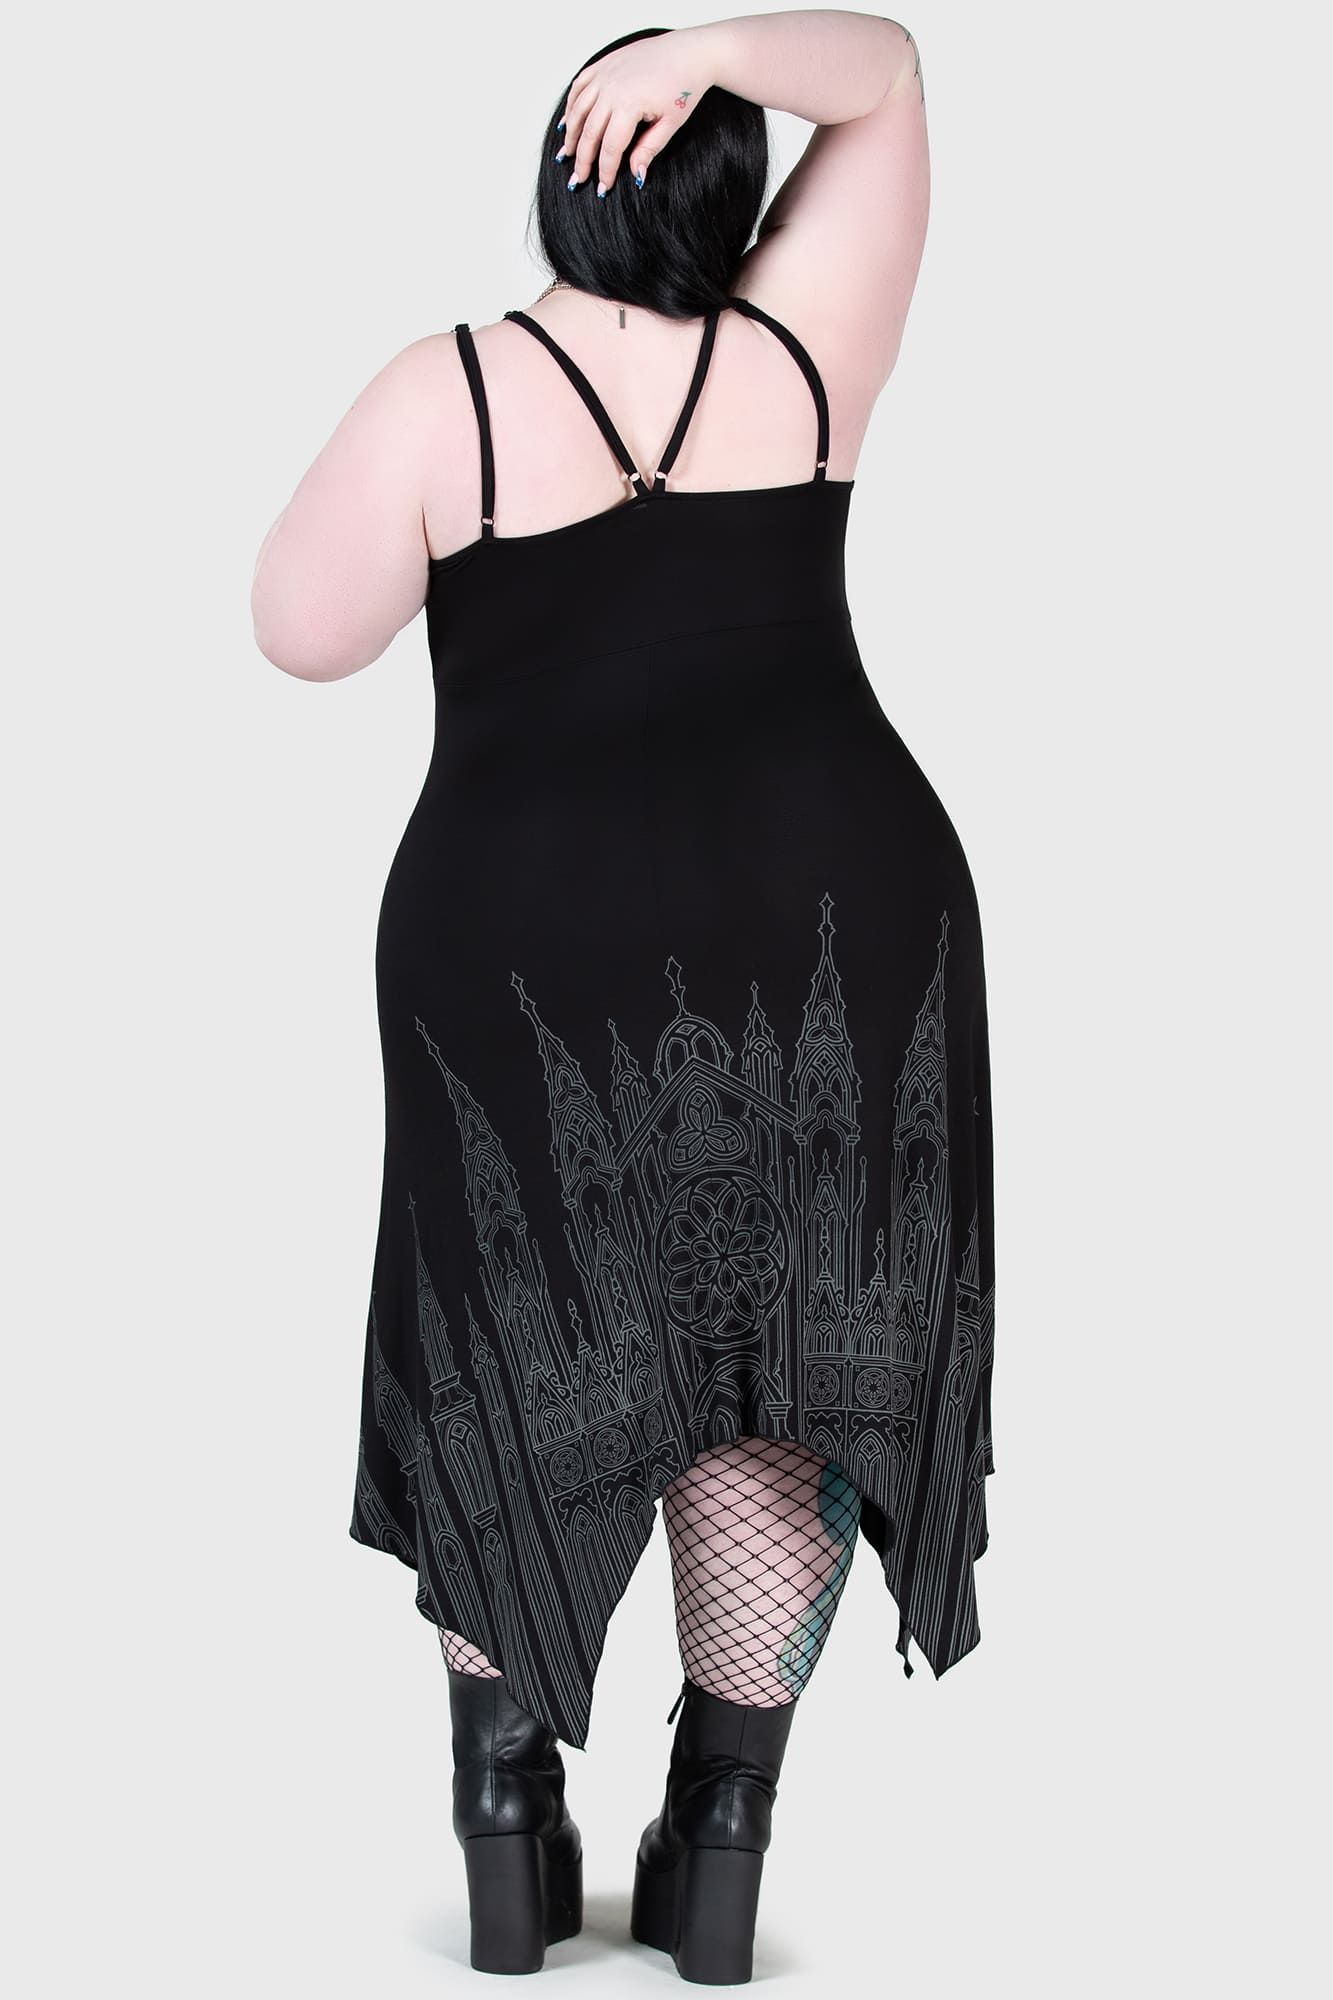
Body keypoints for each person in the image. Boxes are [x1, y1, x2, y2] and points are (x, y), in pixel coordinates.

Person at [252, 12, 996, 1984]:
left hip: (530, 934)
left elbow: (299, 630)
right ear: (725, 177)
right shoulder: (802, 341)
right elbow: (888, 72)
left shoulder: (453, 392)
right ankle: (721, 1832)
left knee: (521, 1335)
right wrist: (724, 46)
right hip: (836, 912)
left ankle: (505, 1816)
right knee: (775, 1358)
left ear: (565, 166)